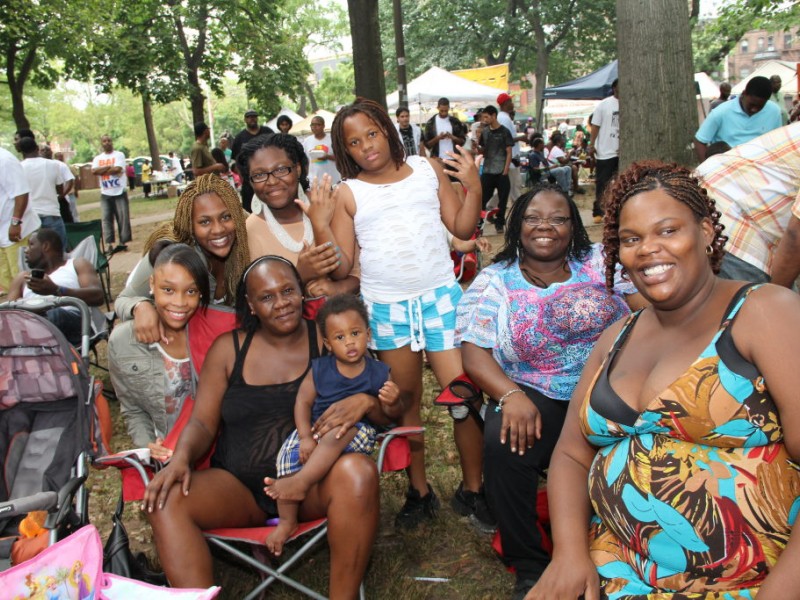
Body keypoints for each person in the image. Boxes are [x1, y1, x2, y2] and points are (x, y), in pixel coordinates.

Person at [527, 161, 800, 600]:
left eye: (667, 231)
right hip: (614, 571)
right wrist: (569, 555)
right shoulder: (617, 335)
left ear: (707, 232)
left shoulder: (763, 312)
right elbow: (571, 455)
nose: (648, 250)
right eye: (631, 239)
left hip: (748, 583)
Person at [142, 255, 401, 595]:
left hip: (310, 485)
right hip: (236, 489)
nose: (281, 304)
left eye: (288, 291)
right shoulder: (229, 349)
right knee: (166, 499)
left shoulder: (329, 339)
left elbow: (384, 411)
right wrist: (181, 458)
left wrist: (368, 402)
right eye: (266, 297)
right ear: (250, 304)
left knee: (358, 471)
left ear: (301, 292)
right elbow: (203, 423)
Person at [457, 183, 640, 600]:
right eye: (533, 218)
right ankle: (530, 564)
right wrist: (510, 396)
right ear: (517, 225)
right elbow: (474, 354)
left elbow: (647, 310)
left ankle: (631, 538)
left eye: (558, 218)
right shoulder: (495, 281)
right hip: (538, 392)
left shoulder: (601, 263)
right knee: (503, 438)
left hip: (609, 386)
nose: (546, 227)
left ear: (573, 226)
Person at [316, 98, 484, 530]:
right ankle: (419, 490)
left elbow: (462, 229)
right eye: (354, 142)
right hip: (387, 308)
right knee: (404, 403)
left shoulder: (426, 169)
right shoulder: (349, 193)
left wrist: (474, 185)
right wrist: (321, 221)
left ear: (387, 131)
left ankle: (474, 489)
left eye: (372, 133)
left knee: (463, 396)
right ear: (345, 151)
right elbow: (340, 263)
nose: (366, 146)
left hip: (440, 300)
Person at [264, 294, 399, 555]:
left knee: (342, 430)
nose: (349, 342)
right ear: (327, 343)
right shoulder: (320, 369)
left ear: (368, 334)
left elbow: (389, 417)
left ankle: (301, 483)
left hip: (357, 433)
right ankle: (288, 521)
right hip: (317, 429)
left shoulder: (378, 372)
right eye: (339, 337)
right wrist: (304, 436)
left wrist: (393, 401)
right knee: (287, 455)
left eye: (355, 333)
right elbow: (302, 403)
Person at [114, 174, 250, 342]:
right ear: (190, 225)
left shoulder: (245, 246)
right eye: (205, 222)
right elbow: (124, 299)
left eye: (226, 217)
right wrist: (140, 306)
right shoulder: (173, 256)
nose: (218, 229)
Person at [109, 243, 209, 460]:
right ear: (152, 284)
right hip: (167, 454)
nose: (179, 303)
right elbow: (132, 409)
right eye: (168, 290)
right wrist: (148, 446)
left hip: (212, 452)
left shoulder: (214, 333)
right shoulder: (124, 342)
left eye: (191, 291)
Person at [238, 133, 358, 298]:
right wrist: (299, 276)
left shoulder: (329, 204)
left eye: (281, 169)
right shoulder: (249, 231)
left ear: (298, 168)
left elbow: (361, 273)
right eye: (259, 175)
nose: (272, 181)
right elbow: (256, 297)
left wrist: (337, 289)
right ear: (250, 182)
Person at [696, 122, 800, 286]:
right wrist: (777, 295)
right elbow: (796, 236)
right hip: (731, 218)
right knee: (760, 306)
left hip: (719, 201)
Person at [7, 228, 104, 346]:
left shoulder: (76, 264)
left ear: (46, 246)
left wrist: (57, 290)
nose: (26, 251)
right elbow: (7, 314)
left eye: (31, 245)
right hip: (31, 324)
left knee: (54, 314)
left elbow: (98, 296)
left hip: (72, 321)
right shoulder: (23, 278)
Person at [694, 76, 782, 162]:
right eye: (751, 104)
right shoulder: (721, 112)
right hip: (728, 166)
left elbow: (777, 142)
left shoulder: (774, 111)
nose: (754, 109)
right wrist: (707, 169)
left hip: (761, 166)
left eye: (759, 107)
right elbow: (700, 141)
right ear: (744, 94)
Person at [0, 147, 38, 292]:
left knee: (22, 278)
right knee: (6, 280)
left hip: (15, 231)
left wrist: (15, 222)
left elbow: (21, 193)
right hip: (1, 234)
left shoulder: (4, 160)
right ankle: (15, 311)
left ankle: (31, 312)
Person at [19, 137, 67, 249]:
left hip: (30, 217)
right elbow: (60, 188)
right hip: (51, 213)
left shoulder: (19, 167)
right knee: (59, 251)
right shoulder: (53, 165)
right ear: (37, 148)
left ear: (21, 151)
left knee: (35, 255)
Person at [477, 105, 513, 233]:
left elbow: (509, 152)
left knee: (503, 200)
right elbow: (481, 150)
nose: (485, 119)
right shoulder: (485, 132)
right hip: (487, 170)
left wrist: (506, 170)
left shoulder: (504, 132)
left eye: (487, 116)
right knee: (482, 199)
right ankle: (479, 223)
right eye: (483, 117)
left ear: (494, 116)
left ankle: (499, 223)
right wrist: (477, 140)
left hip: (501, 170)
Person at [91, 134, 131, 252]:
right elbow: (94, 171)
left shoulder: (119, 155)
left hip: (119, 191)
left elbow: (118, 169)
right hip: (105, 192)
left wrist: (102, 170)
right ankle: (109, 244)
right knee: (106, 219)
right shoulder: (98, 158)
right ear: (101, 143)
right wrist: (109, 167)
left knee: (122, 218)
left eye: (109, 140)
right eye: (104, 141)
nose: (107, 142)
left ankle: (123, 242)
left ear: (112, 142)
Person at [231, 109, 274, 212]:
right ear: (245, 119)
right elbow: (235, 161)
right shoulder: (239, 138)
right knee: (251, 211)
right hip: (249, 181)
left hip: (269, 176)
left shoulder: (268, 132)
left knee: (270, 207)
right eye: (249, 117)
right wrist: (241, 177)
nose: (252, 119)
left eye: (254, 116)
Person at [589, 79, 619, 223]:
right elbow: (595, 126)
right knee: (603, 182)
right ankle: (599, 211)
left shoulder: (632, 102)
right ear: (614, 88)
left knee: (623, 181)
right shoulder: (604, 105)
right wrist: (591, 144)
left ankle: (618, 210)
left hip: (622, 151)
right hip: (606, 151)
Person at [496, 93, 527, 203]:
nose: (512, 104)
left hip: (508, 158)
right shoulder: (504, 119)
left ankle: (489, 207)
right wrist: (521, 138)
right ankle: (518, 209)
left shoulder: (502, 118)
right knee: (515, 185)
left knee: (506, 186)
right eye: (510, 101)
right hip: (510, 158)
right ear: (505, 104)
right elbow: (506, 140)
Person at [303, 115, 341, 186]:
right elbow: (305, 160)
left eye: (318, 125)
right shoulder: (307, 141)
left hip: (332, 180)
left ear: (323, 126)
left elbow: (340, 157)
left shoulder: (332, 139)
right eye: (312, 125)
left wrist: (327, 157)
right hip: (314, 181)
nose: (314, 127)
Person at [53, 151, 79, 222]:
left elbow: (74, 179)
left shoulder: (69, 167)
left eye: (61, 156)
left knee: (73, 212)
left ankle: (76, 224)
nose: (60, 158)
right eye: (58, 157)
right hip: (60, 196)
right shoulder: (53, 167)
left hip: (70, 193)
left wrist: (76, 190)